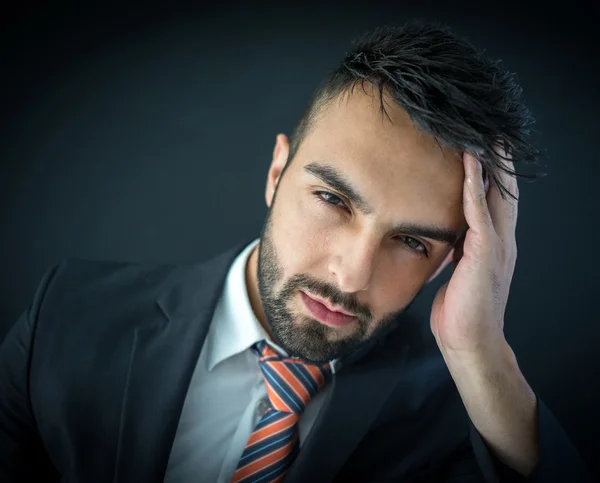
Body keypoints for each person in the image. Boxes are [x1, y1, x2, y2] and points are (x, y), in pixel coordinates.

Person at [0, 21, 592, 483]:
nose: (352, 274)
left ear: (449, 260)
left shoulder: (468, 422)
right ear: (277, 170)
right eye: (333, 199)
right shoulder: (68, 316)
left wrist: (481, 353)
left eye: (412, 241)